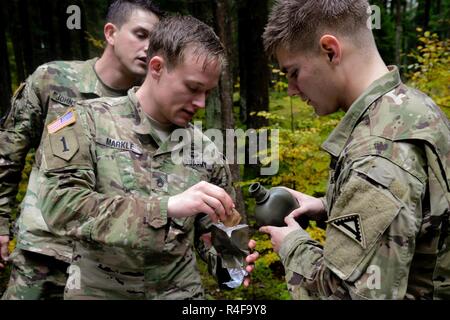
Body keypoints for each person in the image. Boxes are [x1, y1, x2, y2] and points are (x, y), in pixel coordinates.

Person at [246, 0, 450, 299]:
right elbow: (421, 215)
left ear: (330, 50)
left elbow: (347, 295)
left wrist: (292, 246)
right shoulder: (415, 108)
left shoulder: (376, 155)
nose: (291, 90)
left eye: (293, 72)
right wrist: (328, 205)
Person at [35, 15, 247, 300]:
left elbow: (213, 237)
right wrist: (166, 208)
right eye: (194, 88)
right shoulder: (84, 122)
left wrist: (232, 264)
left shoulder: (206, 150)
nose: (201, 103)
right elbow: (60, 206)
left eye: (208, 92)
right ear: (157, 67)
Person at [0, 0, 163, 299]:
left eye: (156, 40)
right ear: (111, 33)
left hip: (108, 268)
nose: (149, 47)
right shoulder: (54, 80)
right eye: (141, 34)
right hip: (44, 254)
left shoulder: (151, 107)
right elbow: (8, 154)